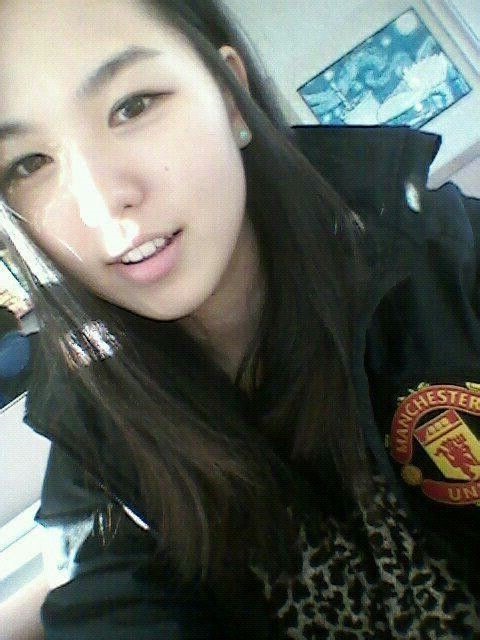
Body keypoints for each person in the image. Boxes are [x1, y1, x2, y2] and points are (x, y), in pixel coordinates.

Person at [0, 0, 479, 637]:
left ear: (230, 97)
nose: (101, 203)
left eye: (133, 106)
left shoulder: (448, 265)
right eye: (28, 163)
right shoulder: (98, 442)